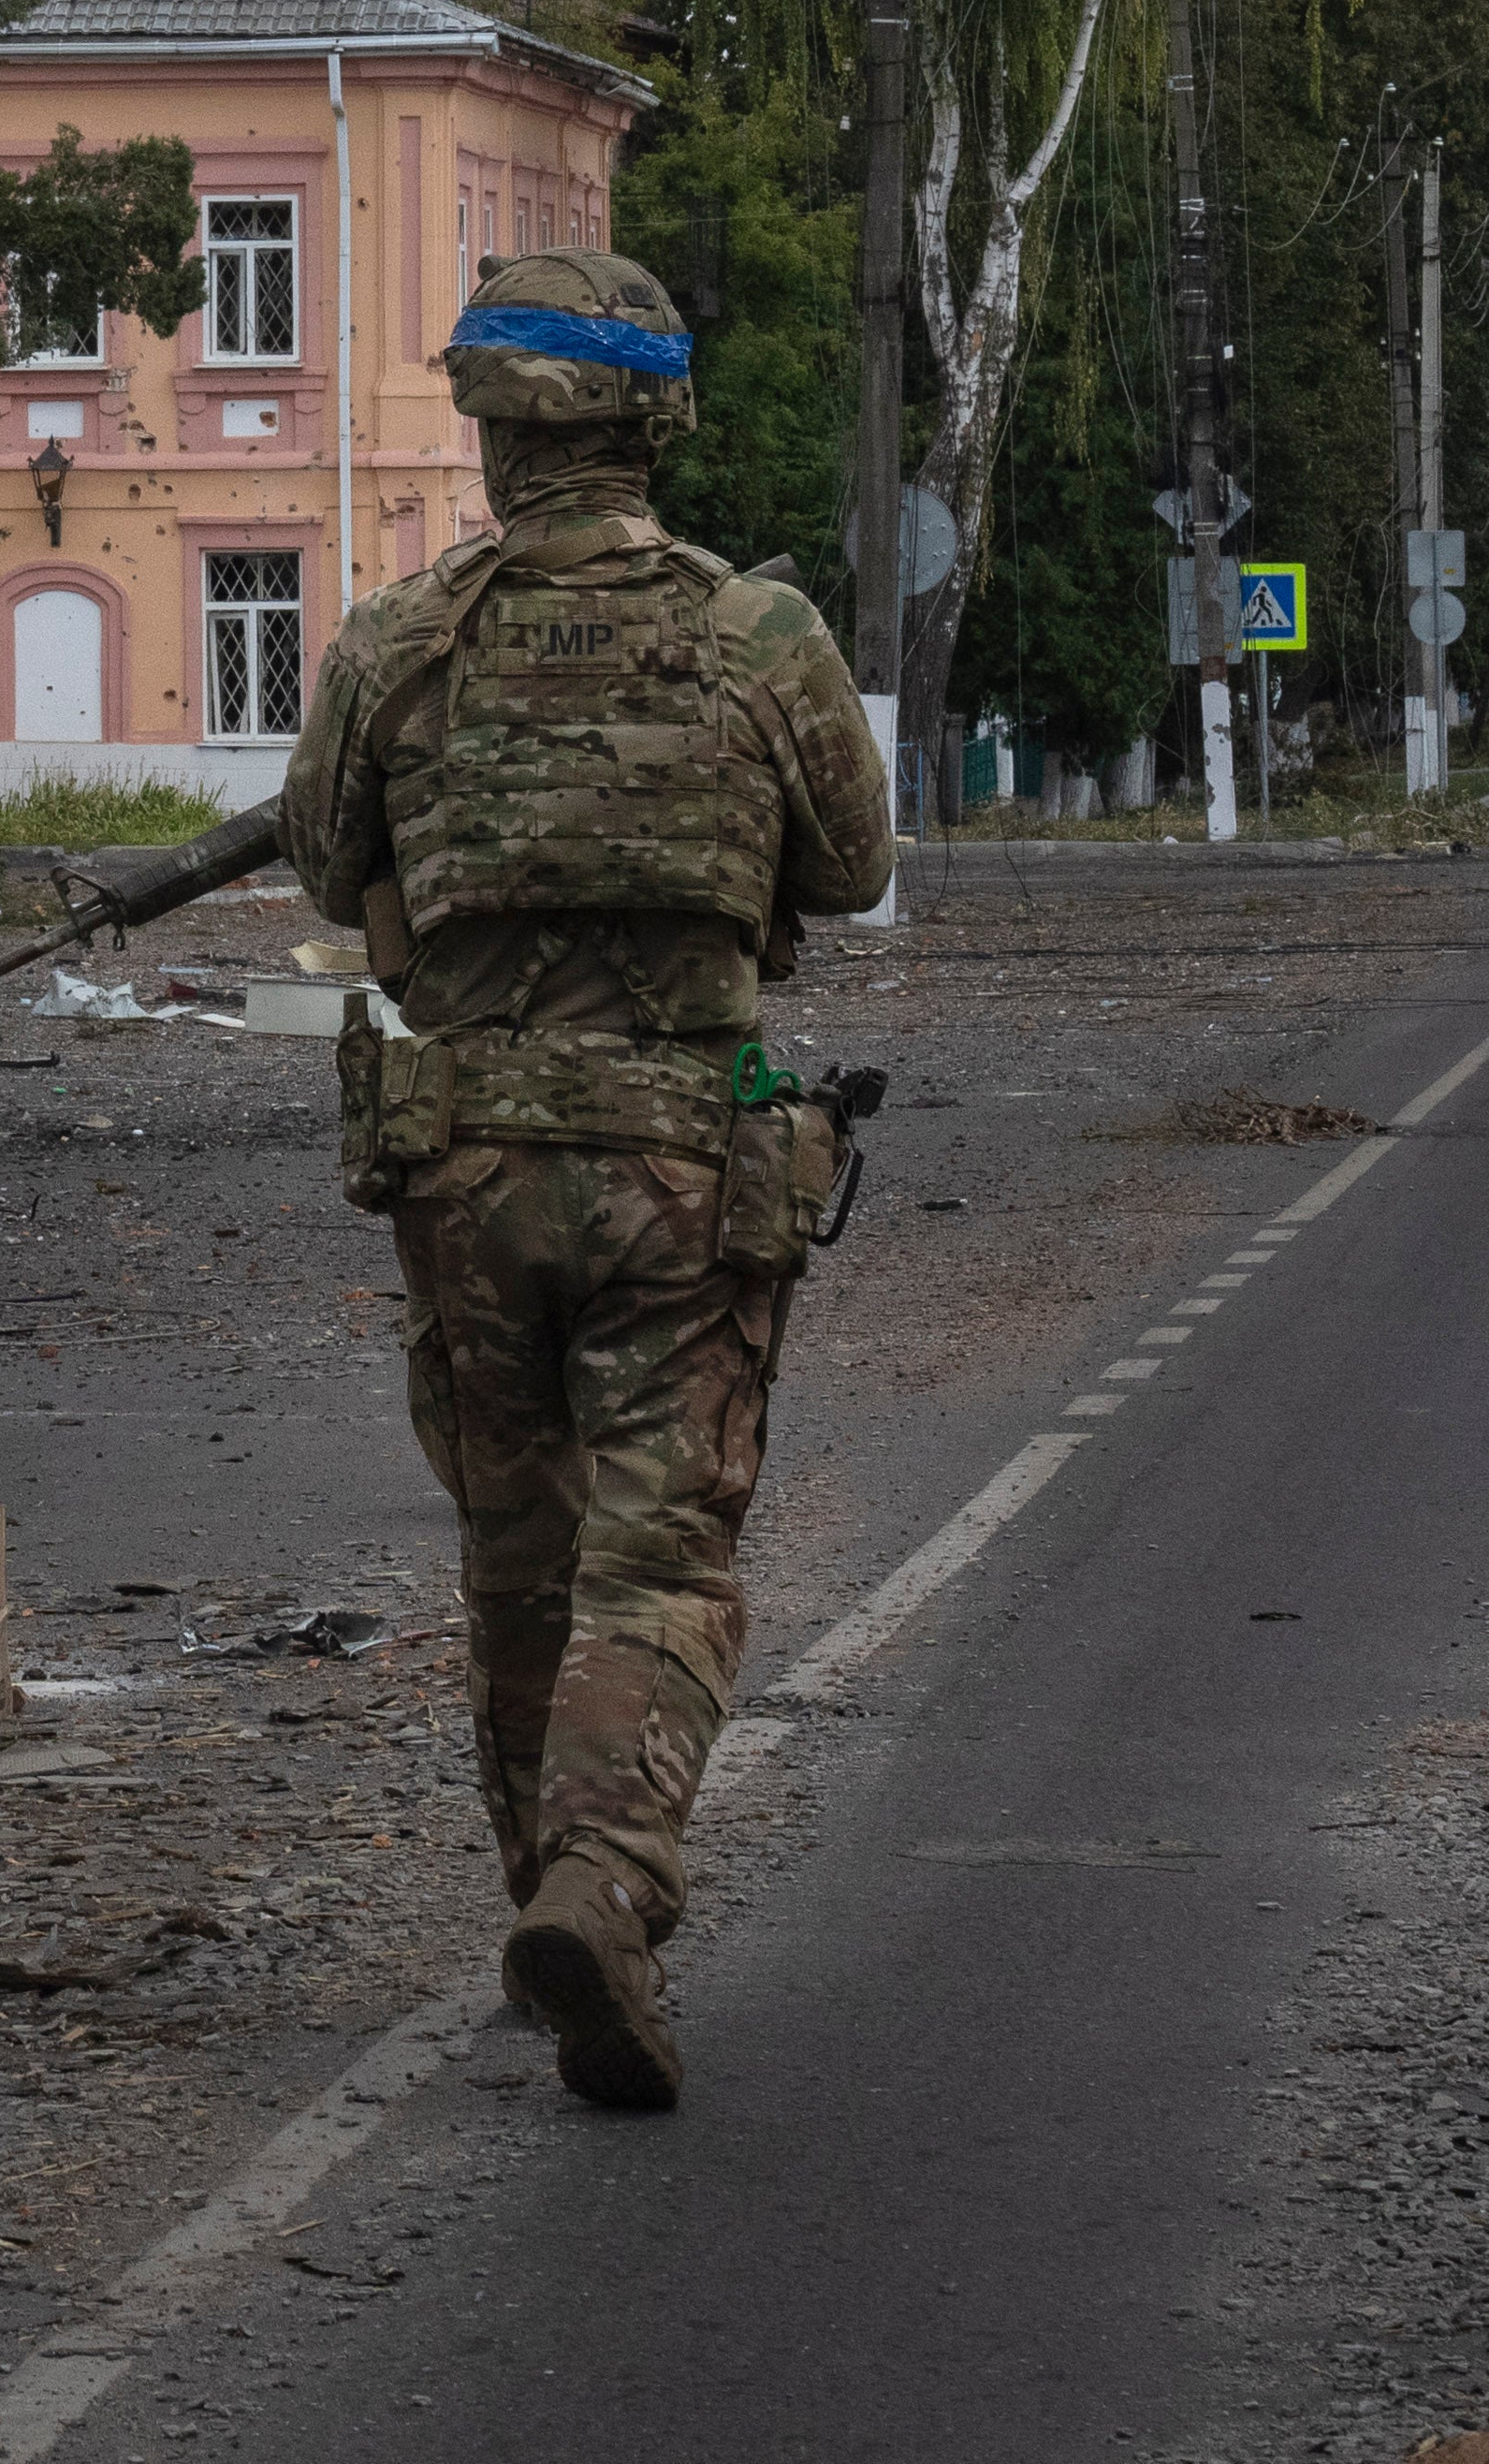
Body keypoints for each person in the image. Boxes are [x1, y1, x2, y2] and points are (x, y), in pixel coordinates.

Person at [275, 246, 893, 2110]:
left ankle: (543, 1898)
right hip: (679, 1174)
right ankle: (603, 1887)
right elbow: (853, 865)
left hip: (460, 1167)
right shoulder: (753, 631)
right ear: (655, 422)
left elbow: (322, 863)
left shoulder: (397, 637)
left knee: (516, 1556)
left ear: (487, 428)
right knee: (662, 1554)